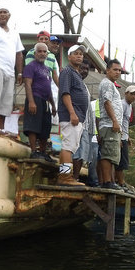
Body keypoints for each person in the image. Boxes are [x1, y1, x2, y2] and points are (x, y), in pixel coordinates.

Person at [57, 44, 90, 185]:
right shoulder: (67, 72)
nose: (79, 56)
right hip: (71, 116)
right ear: (69, 56)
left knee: (70, 147)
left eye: (81, 54)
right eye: (75, 53)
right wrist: (72, 113)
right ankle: (65, 177)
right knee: (68, 146)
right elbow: (65, 93)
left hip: (78, 118)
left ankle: (65, 175)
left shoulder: (76, 73)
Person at [23, 43, 56, 161]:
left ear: (47, 54)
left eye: (44, 52)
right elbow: (27, 84)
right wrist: (31, 102)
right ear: (35, 53)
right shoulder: (30, 66)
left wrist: (53, 104)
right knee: (33, 125)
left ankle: (42, 152)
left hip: (45, 101)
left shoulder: (47, 69)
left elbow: (49, 88)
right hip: (35, 98)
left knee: (45, 127)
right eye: (40, 51)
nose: (42, 54)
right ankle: (33, 151)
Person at [97, 59, 124, 190]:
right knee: (107, 153)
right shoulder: (107, 84)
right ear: (107, 70)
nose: (118, 72)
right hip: (108, 124)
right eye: (115, 69)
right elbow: (107, 103)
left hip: (113, 126)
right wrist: (114, 120)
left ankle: (110, 181)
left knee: (112, 154)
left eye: (119, 70)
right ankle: (107, 182)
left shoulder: (112, 85)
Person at [72, 61, 99, 186]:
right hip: (74, 122)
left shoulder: (84, 85)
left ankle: (75, 178)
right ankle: (66, 175)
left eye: (87, 69)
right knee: (70, 151)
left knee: (80, 153)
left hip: (84, 124)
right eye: (82, 68)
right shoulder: (72, 80)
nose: (84, 71)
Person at [115, 84, 135, 190]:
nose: (133, 96)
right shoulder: (122, 104)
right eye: (132, 94)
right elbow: (118, 121)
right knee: (120, 161)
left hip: (124, 136)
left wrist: (127, 136)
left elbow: (126, 123)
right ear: (126, 94)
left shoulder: (129, 106)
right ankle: (120, 181)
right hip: (120, 136)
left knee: (123, 161)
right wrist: (119, 137)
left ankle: (119, 180)